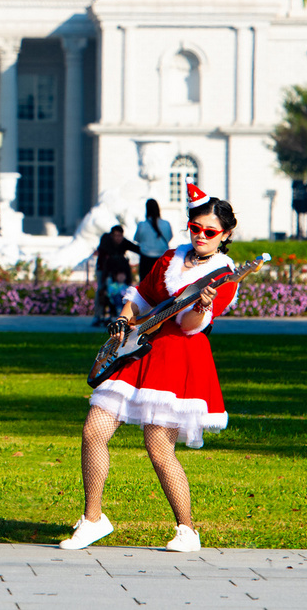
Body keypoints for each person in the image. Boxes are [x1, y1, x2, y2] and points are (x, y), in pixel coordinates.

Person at [61, 183, 240, 553]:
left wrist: (200, 305)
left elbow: (192, 327)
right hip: (138, 351)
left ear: (226, 236)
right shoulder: (170, 258)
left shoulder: (224, 276)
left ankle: (187, 530)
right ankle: (93, 519)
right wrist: (123, 323)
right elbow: (140, 297)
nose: (201, 236)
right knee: (94, 430)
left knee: (159, 448)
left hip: (178, 358)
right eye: (196, 228)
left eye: (211, 232)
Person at [91, 224, 142, 324]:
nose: (118, 238)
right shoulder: (106, 241)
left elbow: (136, 248)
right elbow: (105, 255)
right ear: (111, 235)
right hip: (104, 270)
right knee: (102, 290)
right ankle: (98, 315)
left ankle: (119, 314)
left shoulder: (123, 242)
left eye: (120, 236)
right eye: (116, 236)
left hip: (118, 272)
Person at [135, 198, 173, 262]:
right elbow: (170, 237)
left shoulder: (142, 225)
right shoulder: (166, 224)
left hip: (146, 257)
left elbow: (137, 239)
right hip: (162, 257)